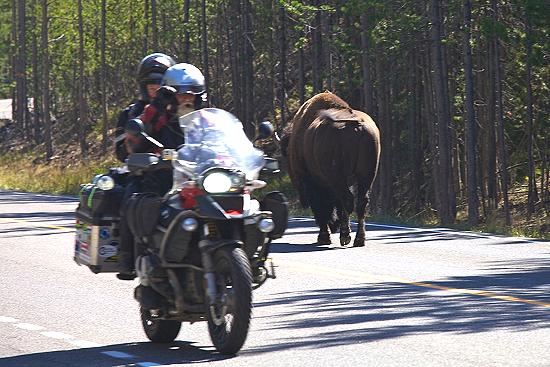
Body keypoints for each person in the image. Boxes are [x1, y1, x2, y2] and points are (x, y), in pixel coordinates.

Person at [117, 63, 207, 280]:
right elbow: (131, 145)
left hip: (198, 176)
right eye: (181, 94)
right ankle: (128, 258)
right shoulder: (152, 113)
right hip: (160, 174)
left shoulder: (207, 118)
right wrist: (158, 106)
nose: (186, 98)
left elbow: (225, 142)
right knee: (135, 199)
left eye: (191, 94)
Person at [114, 52, 176, 162]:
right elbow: (122, 154)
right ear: (144, 88)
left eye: (161, 89)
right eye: (153, 89)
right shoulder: (130, 113)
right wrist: (153, 111)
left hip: (184, 171)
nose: (158, 94)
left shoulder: (180, 112)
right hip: (146, 172)